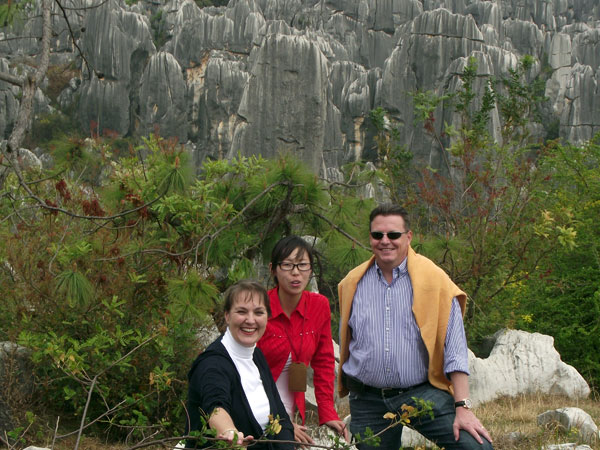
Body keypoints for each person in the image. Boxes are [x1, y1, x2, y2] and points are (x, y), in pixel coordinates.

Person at [337, 204, 494, 450]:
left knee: (476, 447)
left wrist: (462, 407)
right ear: (370, 238)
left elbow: (454, 350)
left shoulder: (435, 280)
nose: (385, 241)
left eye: (393, 235)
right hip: (368, 400)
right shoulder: (352, 283)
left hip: (420, 392)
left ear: (408, 237)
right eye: (378, 235)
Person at [257, 236, 349, 445]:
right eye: (287, 265)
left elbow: (324, 362)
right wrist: (279, 422)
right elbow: (247, 373)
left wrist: (328, 412)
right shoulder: (259, 306)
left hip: (296, 414)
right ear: (273, 269)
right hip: (260, 412)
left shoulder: (319, 305)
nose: (296, 272)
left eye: (302, 265)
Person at [185, 280, 294, 450]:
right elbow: (215, 405)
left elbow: (281, 416)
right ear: (227, 315)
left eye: (259, 312)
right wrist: (229, 432)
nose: (250, 320)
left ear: (267, 317)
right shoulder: (212, 364)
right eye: (241, 312)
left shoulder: (255, 355)